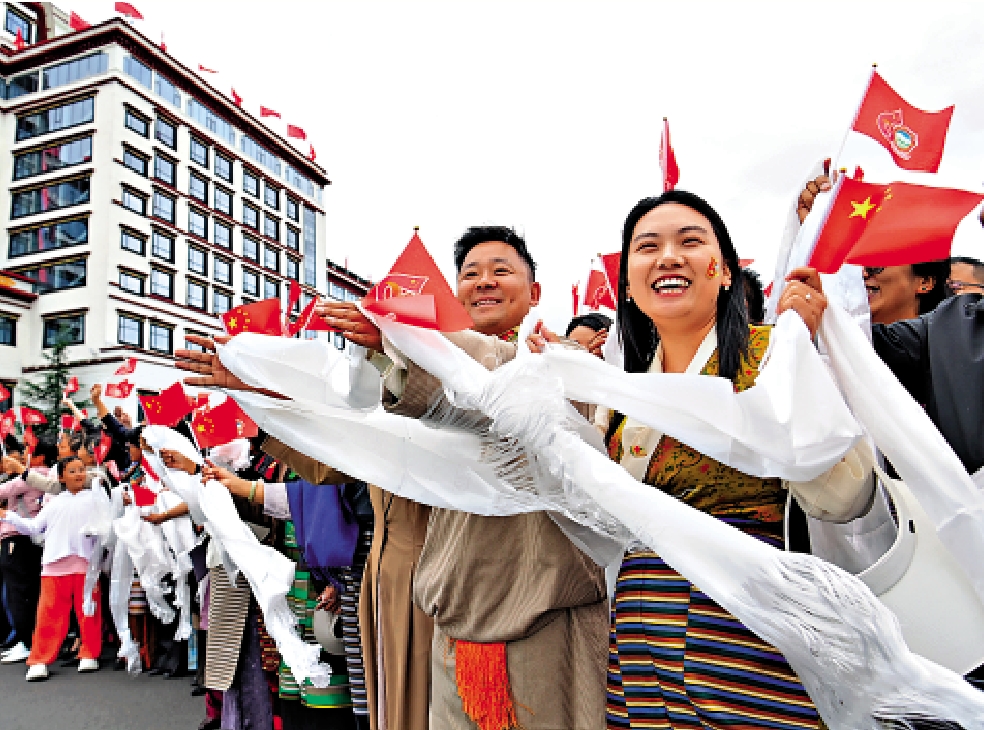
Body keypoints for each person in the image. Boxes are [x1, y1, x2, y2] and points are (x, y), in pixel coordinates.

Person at [176, 225, 610, 729]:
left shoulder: (556, 366)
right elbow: (342, 446)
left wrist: (410, 347)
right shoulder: (409, 378)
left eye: (501, 271)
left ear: (534, 293)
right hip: (421, 591)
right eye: (471, 274)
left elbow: (492, 386)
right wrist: (264, 394)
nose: (485, 282)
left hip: (538, 606)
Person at [594, 191, 869, 729]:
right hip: (641, 623)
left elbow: (845, 496)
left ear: (725, 271)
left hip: (745, 622)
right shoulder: (619, 391)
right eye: (647, 247)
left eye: (690, 242)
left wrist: (800, 364)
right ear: (628, 283)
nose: (668, 257)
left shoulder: (772, 356)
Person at [0, 455, 104, 681]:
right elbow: (35, 527)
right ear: (61, 477)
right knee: (48, 615)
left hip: (86, 563)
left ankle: (89, 653)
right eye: (73, 471)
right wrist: (9, 517)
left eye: (81, 470)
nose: (79, 474)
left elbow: (105, 522)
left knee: (88, 612)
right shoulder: (53, 501)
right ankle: (39, 659)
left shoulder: (96, 496)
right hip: (54, 566)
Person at [0, 436, 45, 665]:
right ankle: (27, 640)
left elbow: (3, 491)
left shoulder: (33, 477)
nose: (26, 453)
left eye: (31, 451)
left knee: (19, 595)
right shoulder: (41, 476)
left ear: (40, 457)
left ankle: (26, 642)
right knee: (26, 593)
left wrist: (14, 469)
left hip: (17, 539)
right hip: (29, 540)